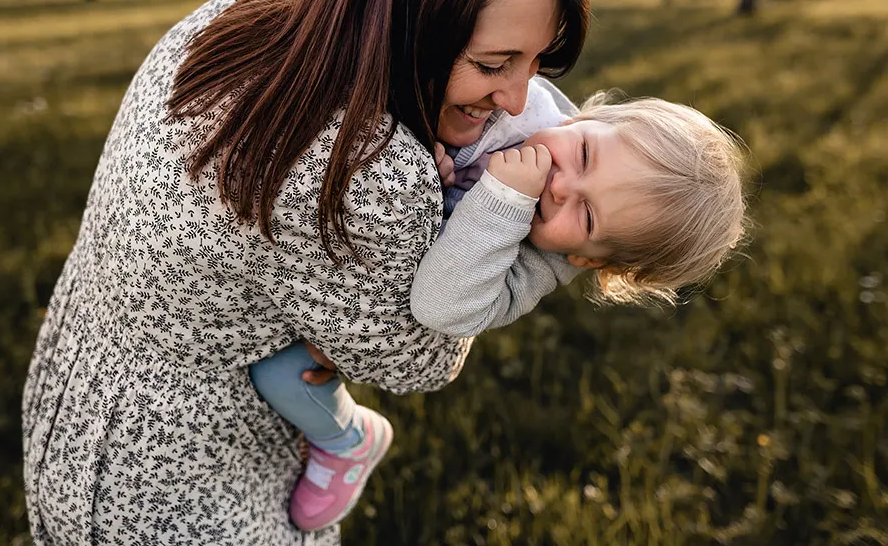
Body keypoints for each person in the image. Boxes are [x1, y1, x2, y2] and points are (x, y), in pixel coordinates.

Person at [20, 0, 589, 545]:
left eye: (537, 60)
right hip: (187, 483)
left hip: (79, 396)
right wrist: (540, 243)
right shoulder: (367, 165)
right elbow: (420, 353)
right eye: (494, 62)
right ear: (405, 23)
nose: (516, 98)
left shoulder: (248, 11)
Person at [251, 83, 747, 531]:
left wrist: (500, 200)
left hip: (358, 300)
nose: (561, 186)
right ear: (588, 120)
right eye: (586, 154)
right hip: (326, 229)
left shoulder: (539, 266)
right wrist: (428, 161)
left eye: (588, 215)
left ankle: (347, 438)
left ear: (587, 259)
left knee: (277, 372)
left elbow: (441, 306)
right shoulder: (522, 103)